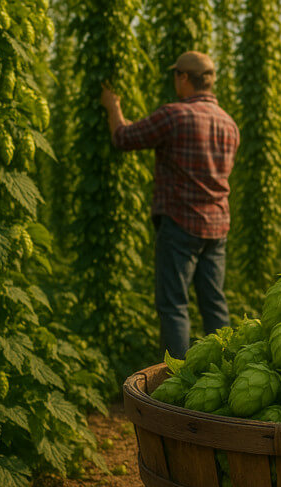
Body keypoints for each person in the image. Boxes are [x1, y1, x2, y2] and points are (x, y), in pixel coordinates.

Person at [100, 51, 240, 358]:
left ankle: (175, 384)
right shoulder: (229, 124)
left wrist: (114, 107)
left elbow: (124, 137)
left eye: (176, 74)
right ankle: (226, 375)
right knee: (214, 305)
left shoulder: (174, 115)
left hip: (180, 224)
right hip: (217, 228)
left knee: (174, 306)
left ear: (184, 78)